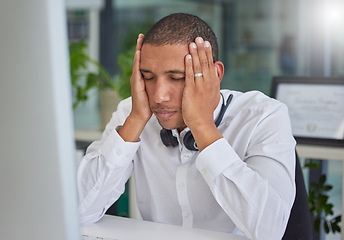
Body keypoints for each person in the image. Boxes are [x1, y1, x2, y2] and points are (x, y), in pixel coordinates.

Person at [77, 13, 296, 240]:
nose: (159, 96)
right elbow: (78, 212)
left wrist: (202, 126)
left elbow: (271, 230)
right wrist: (135, 120)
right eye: (148, 77)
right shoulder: (133, 113)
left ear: (215, 74)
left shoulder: (264, 117)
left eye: (177, 77)